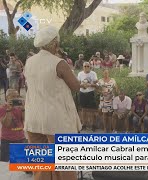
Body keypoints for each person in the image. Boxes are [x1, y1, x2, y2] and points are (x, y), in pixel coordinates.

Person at [24, 26, 81, 180]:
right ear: (55, 44)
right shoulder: (59, 63)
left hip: (33, 117)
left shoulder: (29, 62)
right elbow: (75, 86)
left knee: (41, 164)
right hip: (56, 120)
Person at [0, 89, 25, 161]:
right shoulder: (2, 109)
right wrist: (9, 110)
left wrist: (23, 109)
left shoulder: (19, 107)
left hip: (20, 139)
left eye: (17, 96)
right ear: (7, 97)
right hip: (7, 140)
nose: (15, 98)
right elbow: (7, 124)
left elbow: (24, 119)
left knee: (20, 163)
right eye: (13, 96)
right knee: (5, 164)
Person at [77, 62, 98, 132]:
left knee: (92, 110)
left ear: (90, 67)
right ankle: (84, 124)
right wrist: (82, 85)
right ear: (83, 67)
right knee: (83, 109)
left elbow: (96, 83)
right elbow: (78, 83)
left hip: (90, 93)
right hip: (82, 93)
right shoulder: (80, 74)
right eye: (85, 66)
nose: (86, 67)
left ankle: (93, 125)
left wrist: (88, 85)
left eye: (87, 66)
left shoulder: (93, 74)